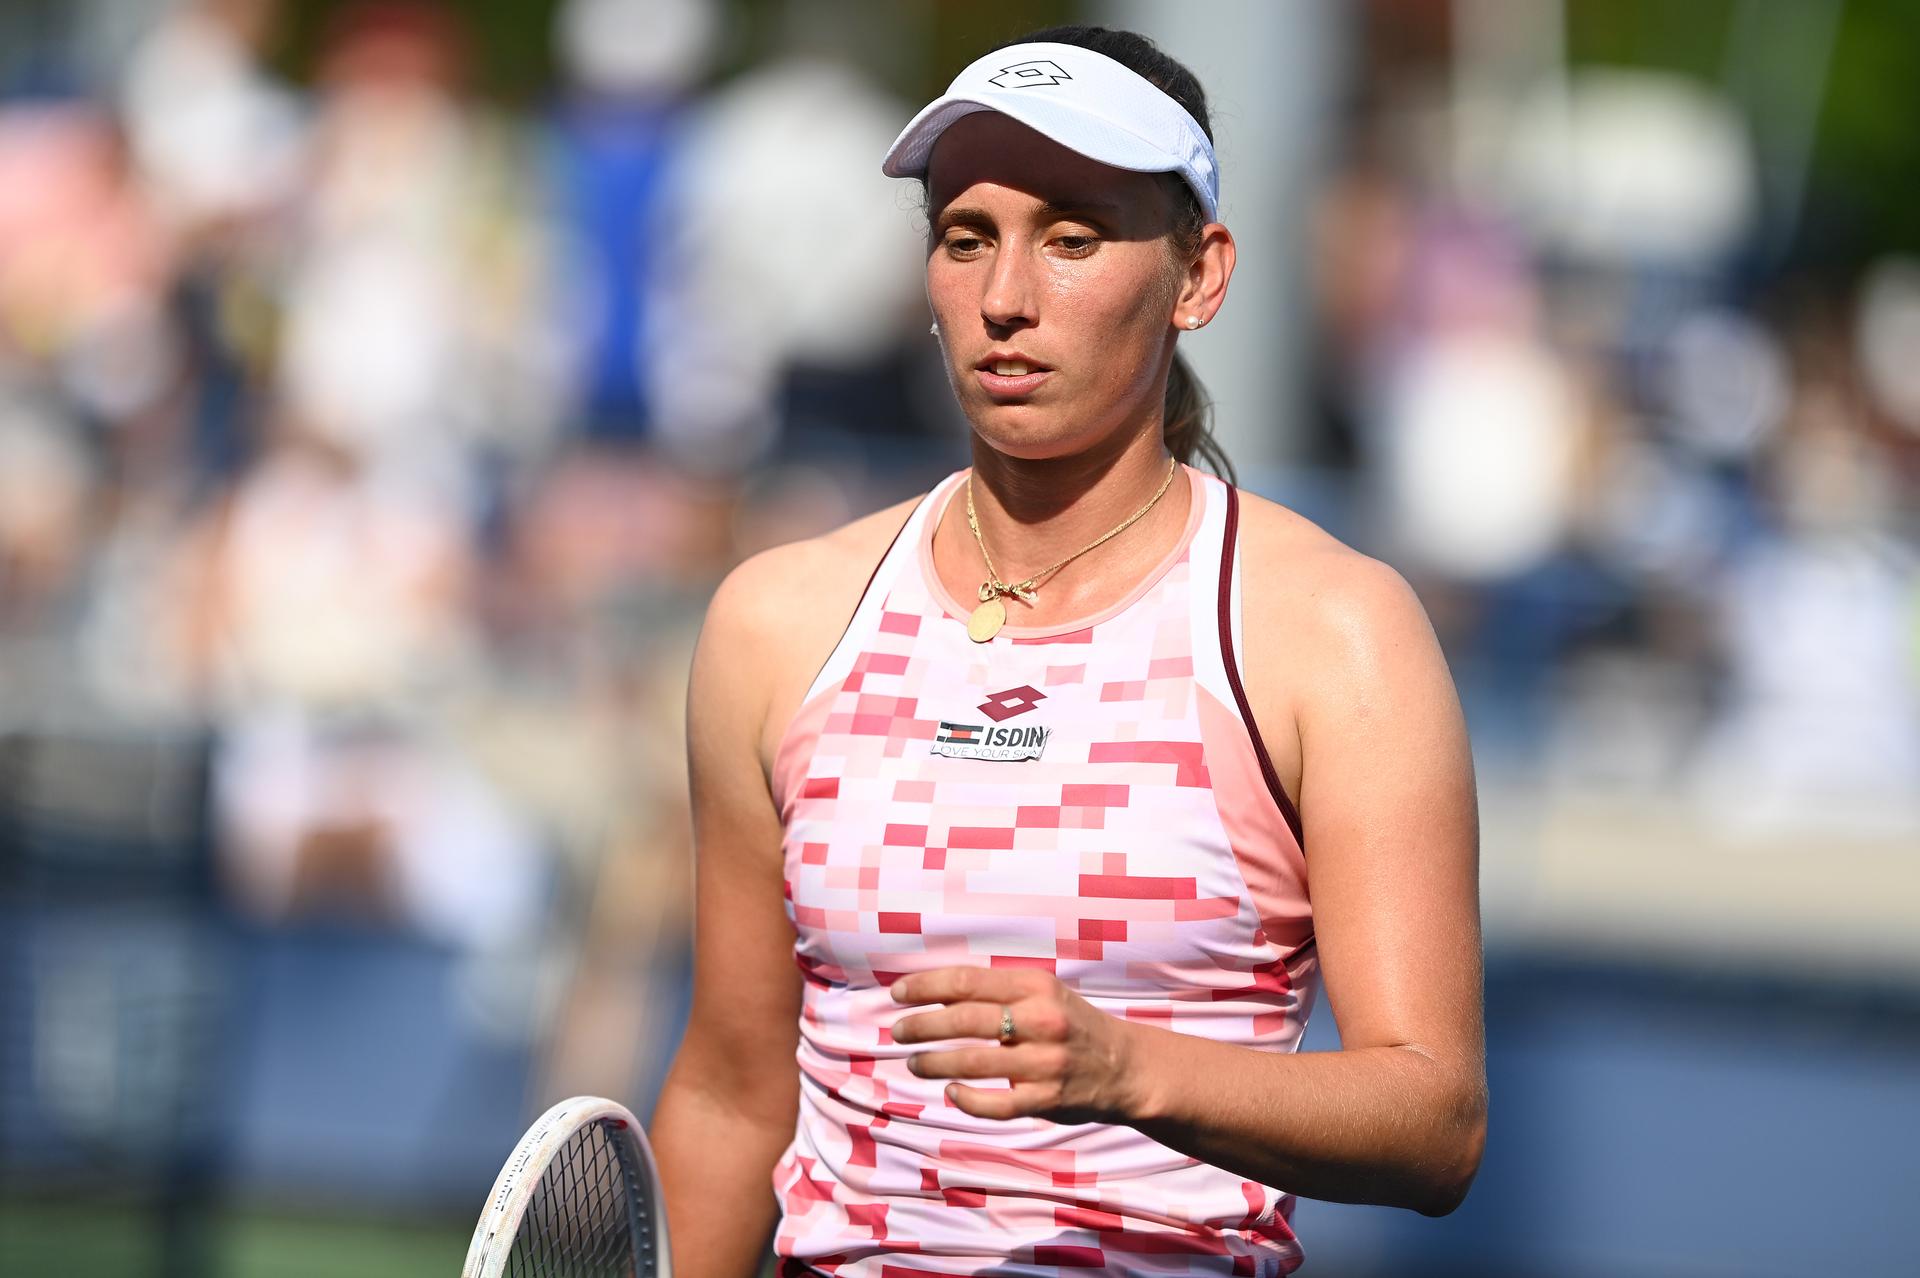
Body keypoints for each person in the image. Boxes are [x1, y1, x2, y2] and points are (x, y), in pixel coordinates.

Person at [649, 26, 1485, 1278]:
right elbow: (728, 1090)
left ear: (1199, 277)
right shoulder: (777, 620)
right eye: (965, 236)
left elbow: (1436, 1121)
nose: (1003, 298)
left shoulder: (1332, 629)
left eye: (1074, 237)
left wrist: (1125, 1069)